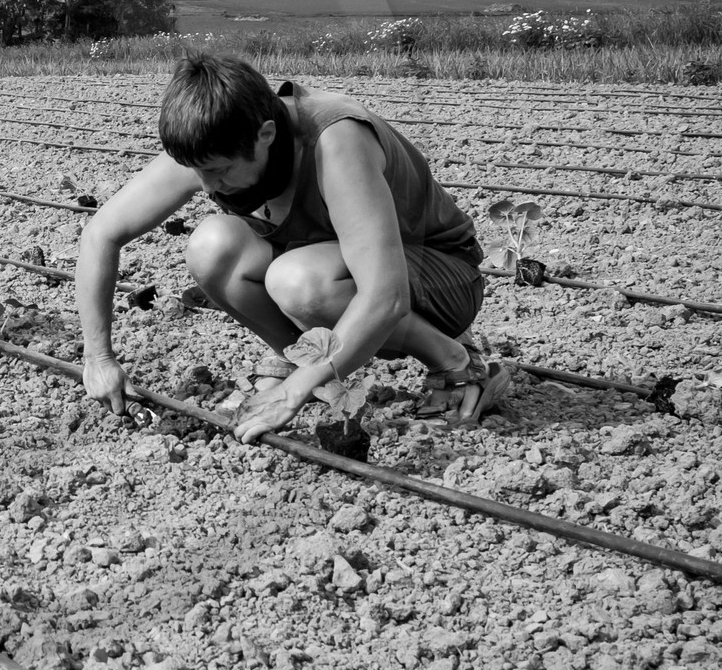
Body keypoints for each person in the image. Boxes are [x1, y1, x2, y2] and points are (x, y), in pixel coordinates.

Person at [76, 53, 506, 441]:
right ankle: (313, 369)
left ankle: (455, 360)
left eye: (220, 171)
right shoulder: (212, 142)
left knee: (298, 280)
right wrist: (98, 358)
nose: (207, 185)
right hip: (334, 267)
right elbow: (102, 234)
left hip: (439, 277)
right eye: (197, 171)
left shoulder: (335, 140)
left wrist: (291, 393)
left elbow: (385, 295)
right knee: (212, 246)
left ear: (265, 134)